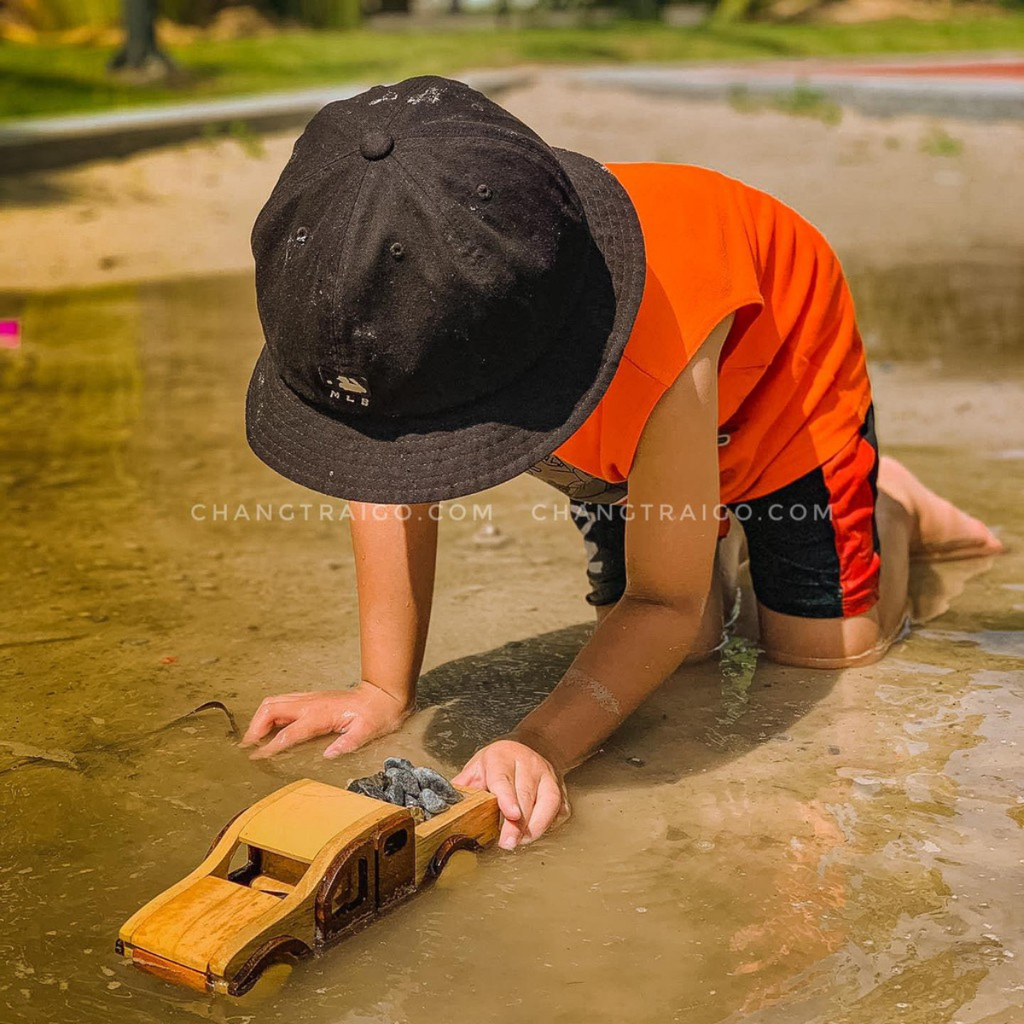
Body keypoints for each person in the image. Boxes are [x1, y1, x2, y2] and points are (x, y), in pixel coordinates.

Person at [240, 76, 1002, 850]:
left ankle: (890, 506)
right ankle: (712, 517)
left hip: (774, 385)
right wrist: (381, 688)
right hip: (619, 425)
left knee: (823, 655)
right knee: (689, 654)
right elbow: (389, 482)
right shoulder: (397, 322)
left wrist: (541, 743)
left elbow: (663, 602)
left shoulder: (653, 356)